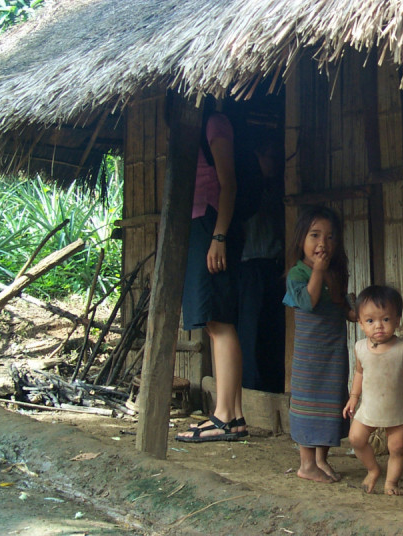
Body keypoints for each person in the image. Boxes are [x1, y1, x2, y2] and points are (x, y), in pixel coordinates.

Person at [176, 103, 246, 442]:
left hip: (211, 225)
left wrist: (218, 237)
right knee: (214, 323)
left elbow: (228, 184)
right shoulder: (197, 127)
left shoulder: (215, 123)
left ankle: (225, 417)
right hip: (202, 227)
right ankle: (232, 414)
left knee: (219, 322)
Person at [283, 205, 356, 483]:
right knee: (308, 402)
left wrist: (361, 314)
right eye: (315, 235)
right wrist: (319, 271)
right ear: (301, 238)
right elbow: (309, 301)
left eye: (330, 236)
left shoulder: (336, 273)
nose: (323, 243)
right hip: (309, 356)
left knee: (331, 402)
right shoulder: (298, 274)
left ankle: (321, 459)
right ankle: (306, 464)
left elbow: (343, 307)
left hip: (334, 351)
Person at [342, 285, 403, 496]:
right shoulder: (360, 348)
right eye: (370, 321)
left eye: (385, 319)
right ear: (360, 323)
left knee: (397, 447)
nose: (378, 326)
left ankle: (391, 483)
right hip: (370, 406)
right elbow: (359, 373)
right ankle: (373, 469)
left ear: (397, 320)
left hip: (397, 409)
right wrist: (353, 397)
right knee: (356, 438)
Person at [236, 133, 286, 393]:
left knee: (272, 329)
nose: (274, 162)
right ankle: (251, 387)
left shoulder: (278, 189)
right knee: (250, 329)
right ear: (257, 155)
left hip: (275, 267)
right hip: (251, 266)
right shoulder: (246, 188)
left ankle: (272, 384)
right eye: (270, 156)